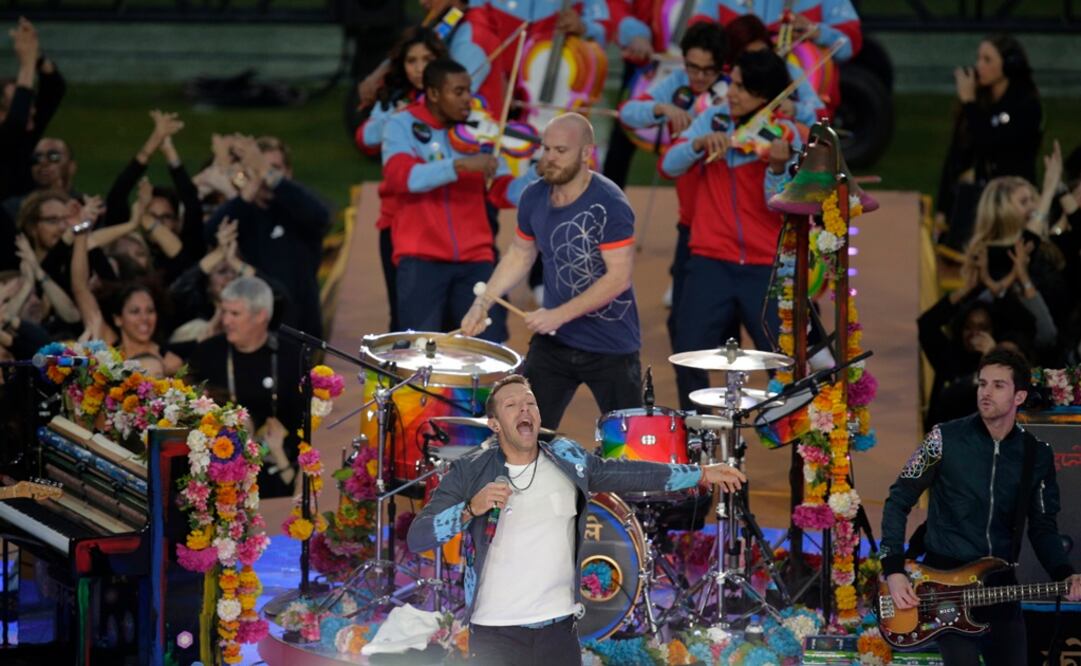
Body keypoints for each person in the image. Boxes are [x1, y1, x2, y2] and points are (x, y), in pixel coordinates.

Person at [406, 374, 747, 665]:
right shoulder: (469, 472)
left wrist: (699, 473)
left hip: (559, 631)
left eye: (530, 403)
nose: (524, 410)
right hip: (495, 634)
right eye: (511, 406)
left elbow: (629, 473)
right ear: (494, 424)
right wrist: (469, 509)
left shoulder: (566, 458)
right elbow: (418, 537)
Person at [881, 348, 1081, 665]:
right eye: (982, 383)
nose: (985, 393)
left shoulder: (1036, 454)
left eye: (998, 385)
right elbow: (898, 499)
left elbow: (1043, 528)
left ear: (1019, 396)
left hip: (999, 588)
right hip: (942, 586)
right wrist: (893, 569)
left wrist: (1065, 573)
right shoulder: (942, 438)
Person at [460, 113, 642, 430]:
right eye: (546, 150)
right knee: (524, 434)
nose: (549, 159)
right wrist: (483, 303)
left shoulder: (610, 203)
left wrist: (558, 314)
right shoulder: (534, 196)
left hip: (611, 346)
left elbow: (618, 278)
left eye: (560, 151)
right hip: (555, 345)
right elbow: (520, 253)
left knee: (627, 451)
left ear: (586, 153)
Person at [660, 49, 799, 410]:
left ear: (764, 96)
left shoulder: (783, 134)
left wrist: (778, 168)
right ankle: (700, 433)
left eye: (739, 87)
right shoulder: (714, 120)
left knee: (783, 362)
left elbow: (780, 204)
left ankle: (793, 447)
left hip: (763, 267)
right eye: (732, 83)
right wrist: (696, 144)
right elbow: (668, 166)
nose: (730, 92)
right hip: (710, 260)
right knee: (687, 350)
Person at [380, 58, 535, 341]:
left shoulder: (479, 130)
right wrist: (460, 166)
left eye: (469, 91)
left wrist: (536, 174)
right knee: (422, 349)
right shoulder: (400, 125)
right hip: (420, 257)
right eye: (458, 92)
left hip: (476, 256)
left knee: (488, 344)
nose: (468, 100)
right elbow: (402, 177)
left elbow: (503, 192)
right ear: (434, 93)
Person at [619, 21, 727, 353]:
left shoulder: (732, 94)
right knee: (680, 321)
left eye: (707, 71)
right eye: (692, 67)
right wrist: (660, 107)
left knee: (725, 318)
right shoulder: (677, 83)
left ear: (722, 68)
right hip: (690, 219)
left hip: (724, 221)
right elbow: (629, 112)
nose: (698, 77)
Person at [355, 26, 448, 331]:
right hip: (398, 220)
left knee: (446, 318)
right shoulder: (394, 99)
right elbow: (366, 138)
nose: (420, 69)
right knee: (402, 317)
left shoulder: (451, 97)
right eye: (412, 61)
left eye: (427, 59)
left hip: (444, 220)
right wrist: (397, 119)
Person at [188, 276, 304, 498]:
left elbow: (304, 420)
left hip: (279, 463)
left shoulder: (290, 357)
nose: (226, 321)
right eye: (224, 312)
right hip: (219, 469)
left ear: (260, 316)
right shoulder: (207, 354)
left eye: (235, 314)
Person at [204, 135, 330, 340]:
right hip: (254, 330)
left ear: (288, 172)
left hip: (301, 330)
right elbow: (210, 233)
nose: (266, 175)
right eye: (260, 167)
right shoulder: (245, 211)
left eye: (274, 168)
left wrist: (267, 173)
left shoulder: (299, 207)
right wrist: (249, 188)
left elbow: (322, 217)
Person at [936, 35, 1042, 249]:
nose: (978, 66)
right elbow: (957, 157)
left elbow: (992, 143)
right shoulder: (981, 103)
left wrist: (969, 103)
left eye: (987, 60)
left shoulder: (1026, 105)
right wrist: (942, 209)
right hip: (982, 197)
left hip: (1013, 202)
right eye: (978, 59)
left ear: (1009, 65)